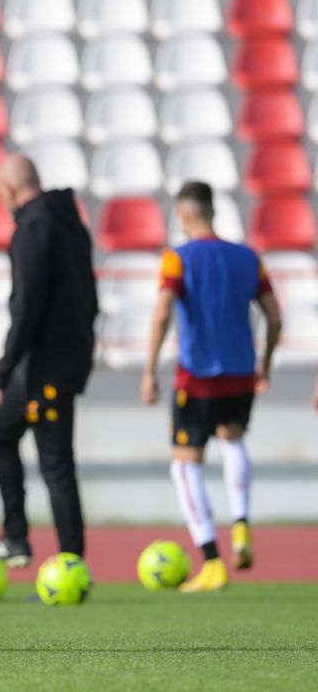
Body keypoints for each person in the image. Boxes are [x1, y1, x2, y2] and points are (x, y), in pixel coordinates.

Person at [142, 181, 281, 592]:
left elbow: (162, 314)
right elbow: (275, 317)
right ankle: (241, 522)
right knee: (233, 441)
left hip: (197, 375)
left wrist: (149, 370)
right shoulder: (248, 257)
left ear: (184, 215)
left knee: (185, 465)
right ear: (213, 211)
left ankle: (212, 561)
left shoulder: (177, 259)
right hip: (241, 372)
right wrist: (265, 364)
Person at [0, 154, 97, 568]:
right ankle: (16, 536)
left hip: (47, 364)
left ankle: (70, 565)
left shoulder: (32, 228)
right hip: (66, 356)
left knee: (56, 463)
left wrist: (1, 373)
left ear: (9, 191)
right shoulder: (70, 224)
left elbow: (26, 307)